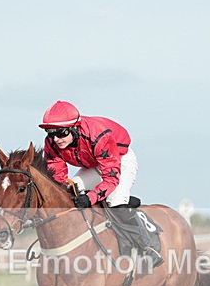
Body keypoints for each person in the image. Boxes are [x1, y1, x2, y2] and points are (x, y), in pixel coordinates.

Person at [39, 100, 162, 266]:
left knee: (116, 202)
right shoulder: (52, 144)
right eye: (50, 133)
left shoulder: (97, 136)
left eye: (61, 133)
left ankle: (148, 247)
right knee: (71, 191)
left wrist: (90, 198)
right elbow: (58, 177)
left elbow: (110, 178)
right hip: (93, 164)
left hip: (119, 160)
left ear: (74, 127)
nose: (56, 139)